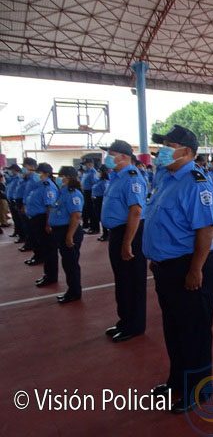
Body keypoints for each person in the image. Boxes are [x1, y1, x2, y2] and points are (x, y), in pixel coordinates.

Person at [143, 125, 213, 414]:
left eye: (169, 145)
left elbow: (205, 231)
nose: (162, 150)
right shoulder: (166, 177)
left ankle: (199, 390)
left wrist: (195, 269)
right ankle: (177, 381)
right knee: (174, 328)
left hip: (189, 265)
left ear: (187, 151)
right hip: (167, 267)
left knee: (194, 332)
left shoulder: (196, 183)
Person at [100, 140, 148, 343]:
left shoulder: (132, 178)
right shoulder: (116, 177)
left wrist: (127, 242)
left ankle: (134, 325)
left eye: (111, 154)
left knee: (132, 280)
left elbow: (135, 211)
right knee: (122, 279)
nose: (108, 158)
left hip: (130, 232)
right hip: (118, 233)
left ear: (124, 157)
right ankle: (124, 321)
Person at [46, 166, 84, 303]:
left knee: (71, 264)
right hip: (61, 231)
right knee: (67, 263)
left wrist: (69, 236)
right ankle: (72, 290)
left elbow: (76, 215)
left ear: (68, 177)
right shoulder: (62, 191)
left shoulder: (73, 193)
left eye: (61, 176)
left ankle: (74, 292)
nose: (59, 178)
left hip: (68, 231)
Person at [26, 163, 58, 280]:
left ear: (47, 174)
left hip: (43, 219)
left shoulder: (48, 186)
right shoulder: (39, 185)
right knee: (44, 247)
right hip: (36, 218)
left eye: (39, 172)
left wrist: (48, 224)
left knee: (49, 249)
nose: (37, 174)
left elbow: (50, 207)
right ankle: (48, 274)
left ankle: (51, 276)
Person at [18, 157, 40, 251]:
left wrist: (26, 205)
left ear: (32, 167)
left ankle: (32, 246)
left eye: (25, 166)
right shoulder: (27, 178)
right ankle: (30, 245)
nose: (23, 168)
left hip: (33, 207)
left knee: (31, 229)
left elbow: (35, 195)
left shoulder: (35, 179)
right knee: (27, 227)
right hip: (27, 205)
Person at [92, 165, 110, 242]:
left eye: (99, 172)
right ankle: (105, 233)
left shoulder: (105, 182)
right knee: (98, 216)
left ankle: (106, 234)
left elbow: (105, 192)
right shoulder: (98, 180)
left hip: (101, 200)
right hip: (96, 200)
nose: (98, 173)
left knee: (102, 217)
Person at [80, 158, 98, 233]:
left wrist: (93, 194)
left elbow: (95, 183)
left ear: (90, 164)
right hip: (85, 192)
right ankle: (87, 225)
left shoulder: (93, 172)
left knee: (92, 211)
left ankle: (94, 228)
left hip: (90, 192)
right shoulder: (85, 172)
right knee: (86, 210)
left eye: (85, 164)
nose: (84, 166)